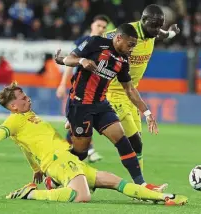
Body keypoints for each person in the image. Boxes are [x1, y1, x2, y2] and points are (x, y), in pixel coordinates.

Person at [0, 82, 187, 205]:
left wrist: (35, 169)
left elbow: (25, 146)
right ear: (13, 106)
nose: (27, 98)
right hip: (59, 162)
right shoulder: (14, 121)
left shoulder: (29, 119)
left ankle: (164, 198)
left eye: (25, 94)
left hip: (69, 159)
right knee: (82, 196)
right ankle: (30, 195)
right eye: (22, 97)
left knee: (116, 181)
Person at [55, 23, 165, 191]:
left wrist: (147, 112)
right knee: (81, 152)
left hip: (101, 105)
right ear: (119, 38)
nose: (131, 50)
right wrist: (82, 60)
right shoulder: (95, 43)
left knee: (123, 141)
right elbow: (69, 59)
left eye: (134, 47)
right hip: (80, 105)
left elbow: (129, 89)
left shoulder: (123, 59)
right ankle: (54, 177)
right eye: (130, 45)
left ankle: (142, 185)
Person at [103, 4, 180, 173]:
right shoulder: (128, 34)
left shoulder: (153, 31)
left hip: (132, 94)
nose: (156, 30)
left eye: (159, 25)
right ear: (143, 20)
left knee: (138, 146)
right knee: (135, 142)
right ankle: (140, 185)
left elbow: (162, 34)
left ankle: (140, 186)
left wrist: (172, 32)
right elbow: (104, 39)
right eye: (153, 25)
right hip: (114, 93)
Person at [56, 14, 110, 163]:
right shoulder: (83, 42)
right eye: (98, 25)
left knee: (78, 122)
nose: (101, 29)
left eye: (104, 27)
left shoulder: (106, 44)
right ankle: (89, 150)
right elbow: (69, 63)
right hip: (80, 88)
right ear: (92, 25)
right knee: (82, 119)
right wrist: (62, 84)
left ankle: (66, 151)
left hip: (94, 89)